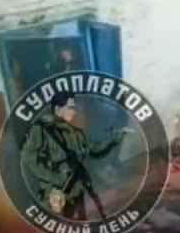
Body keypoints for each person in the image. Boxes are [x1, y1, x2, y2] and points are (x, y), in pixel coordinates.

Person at [19, 92, 127, 221]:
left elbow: (94, 149)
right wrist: (54, 178)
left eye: (74, 108)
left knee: (78, 224)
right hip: (54, 192)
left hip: (76, 189)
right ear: (58, 109)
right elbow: (28, 158)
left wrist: (115, 138)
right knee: (56, 228)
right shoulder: (40, 130)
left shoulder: (76, 133)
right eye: (70, 108)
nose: (74, 112)